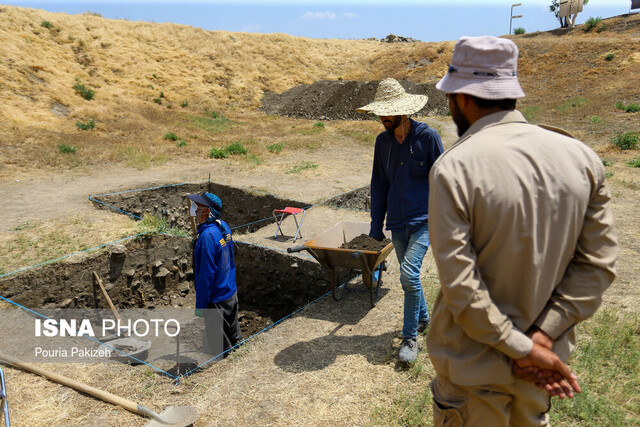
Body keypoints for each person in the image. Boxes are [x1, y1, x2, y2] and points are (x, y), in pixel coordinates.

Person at [426, 36, 618, 425]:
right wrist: (541, 340)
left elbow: (461, 286)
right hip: (540, 371)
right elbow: (598, 266)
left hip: (472, 377)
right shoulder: (583, 158)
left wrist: (518, 347)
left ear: (461, 98)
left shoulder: (455, 168)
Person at [356, 78, 444, 363]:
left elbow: (443, 180)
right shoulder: (382, 143)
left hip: (424, 221)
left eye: (387, 113)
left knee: (408, 275)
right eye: (380, 113)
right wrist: (375, 226)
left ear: (403, 112)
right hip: (397, 222)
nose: (382, 118)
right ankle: (423, 318)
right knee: (412, 278)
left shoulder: (427, 137)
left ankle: (409, 339)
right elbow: (379, 184)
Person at [188, 192, 241, 358]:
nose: (194, 209)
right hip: (230, 292)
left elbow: (205, 276)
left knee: (219, 346)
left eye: (197, 206)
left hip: (216, 299)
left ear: (207, 211)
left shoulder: (206, 237)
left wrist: (201, 305)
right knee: (235, 337)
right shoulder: (223, 226)